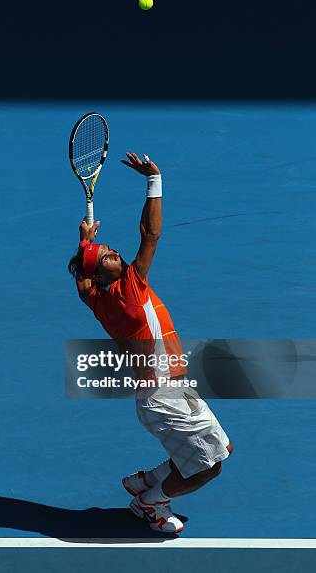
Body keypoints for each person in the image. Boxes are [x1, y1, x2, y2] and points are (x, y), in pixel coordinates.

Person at [68, 152, 233, 534]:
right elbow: (151, 234)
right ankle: (151, 502)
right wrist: (154, 179)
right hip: (165, 396)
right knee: (210, 467)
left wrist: (84, 243)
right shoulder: (128, 290)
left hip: (164, 392)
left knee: (222, 449)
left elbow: (82, 282)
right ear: (104, 274)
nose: (116, 254)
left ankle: (150, 478)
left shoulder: (96, 299)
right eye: (108, 256)